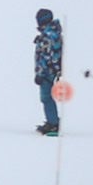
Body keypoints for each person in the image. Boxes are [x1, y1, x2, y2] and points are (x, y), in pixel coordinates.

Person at [33, 8, 64, 136]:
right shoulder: (52, 33)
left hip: (47, 73)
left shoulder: (48, 36)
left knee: (46, 97)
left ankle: (53, 124)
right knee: (47, 97)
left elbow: (46, 56)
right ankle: (52, 121)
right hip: (52, 71)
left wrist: (40, 74)